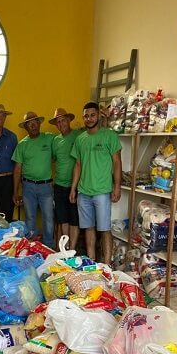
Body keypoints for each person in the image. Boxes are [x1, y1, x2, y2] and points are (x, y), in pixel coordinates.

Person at [69, 101, 122, 264]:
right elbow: (78, 165)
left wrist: (117, 187)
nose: (89, 119)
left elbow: (117, 162)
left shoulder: (109, 136)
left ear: (98, 115)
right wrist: (73, 188)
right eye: (86, 116)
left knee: (104, 229)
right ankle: (91, 261)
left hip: (102, 191)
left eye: (92, 115)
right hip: (84, 192)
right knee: (88, 228)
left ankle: (107, 265)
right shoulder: (80, 139)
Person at [12, 111, 55, 249]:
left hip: (46, 186)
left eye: (35, 122)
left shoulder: (50, 138)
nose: (33, 125)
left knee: (48, 218)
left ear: (39, 123)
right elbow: (17, 169)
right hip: (28, 187)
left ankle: (49, 247)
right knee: (30, 218)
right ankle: (32, 247)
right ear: (25, 127)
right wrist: (15, 192)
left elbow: (62, 150)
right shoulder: (22, 144)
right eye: (29, 124)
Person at [50, 107, 81, 251]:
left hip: (76, 185)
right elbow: (53, 160)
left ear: (69, 120)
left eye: (63, 120)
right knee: (63, 219)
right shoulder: (56, 141)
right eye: (58, 122)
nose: (61, 124)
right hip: (59, 185)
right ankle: (65, 249)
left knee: (74, 219)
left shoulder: (79, 136)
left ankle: (72, 249)